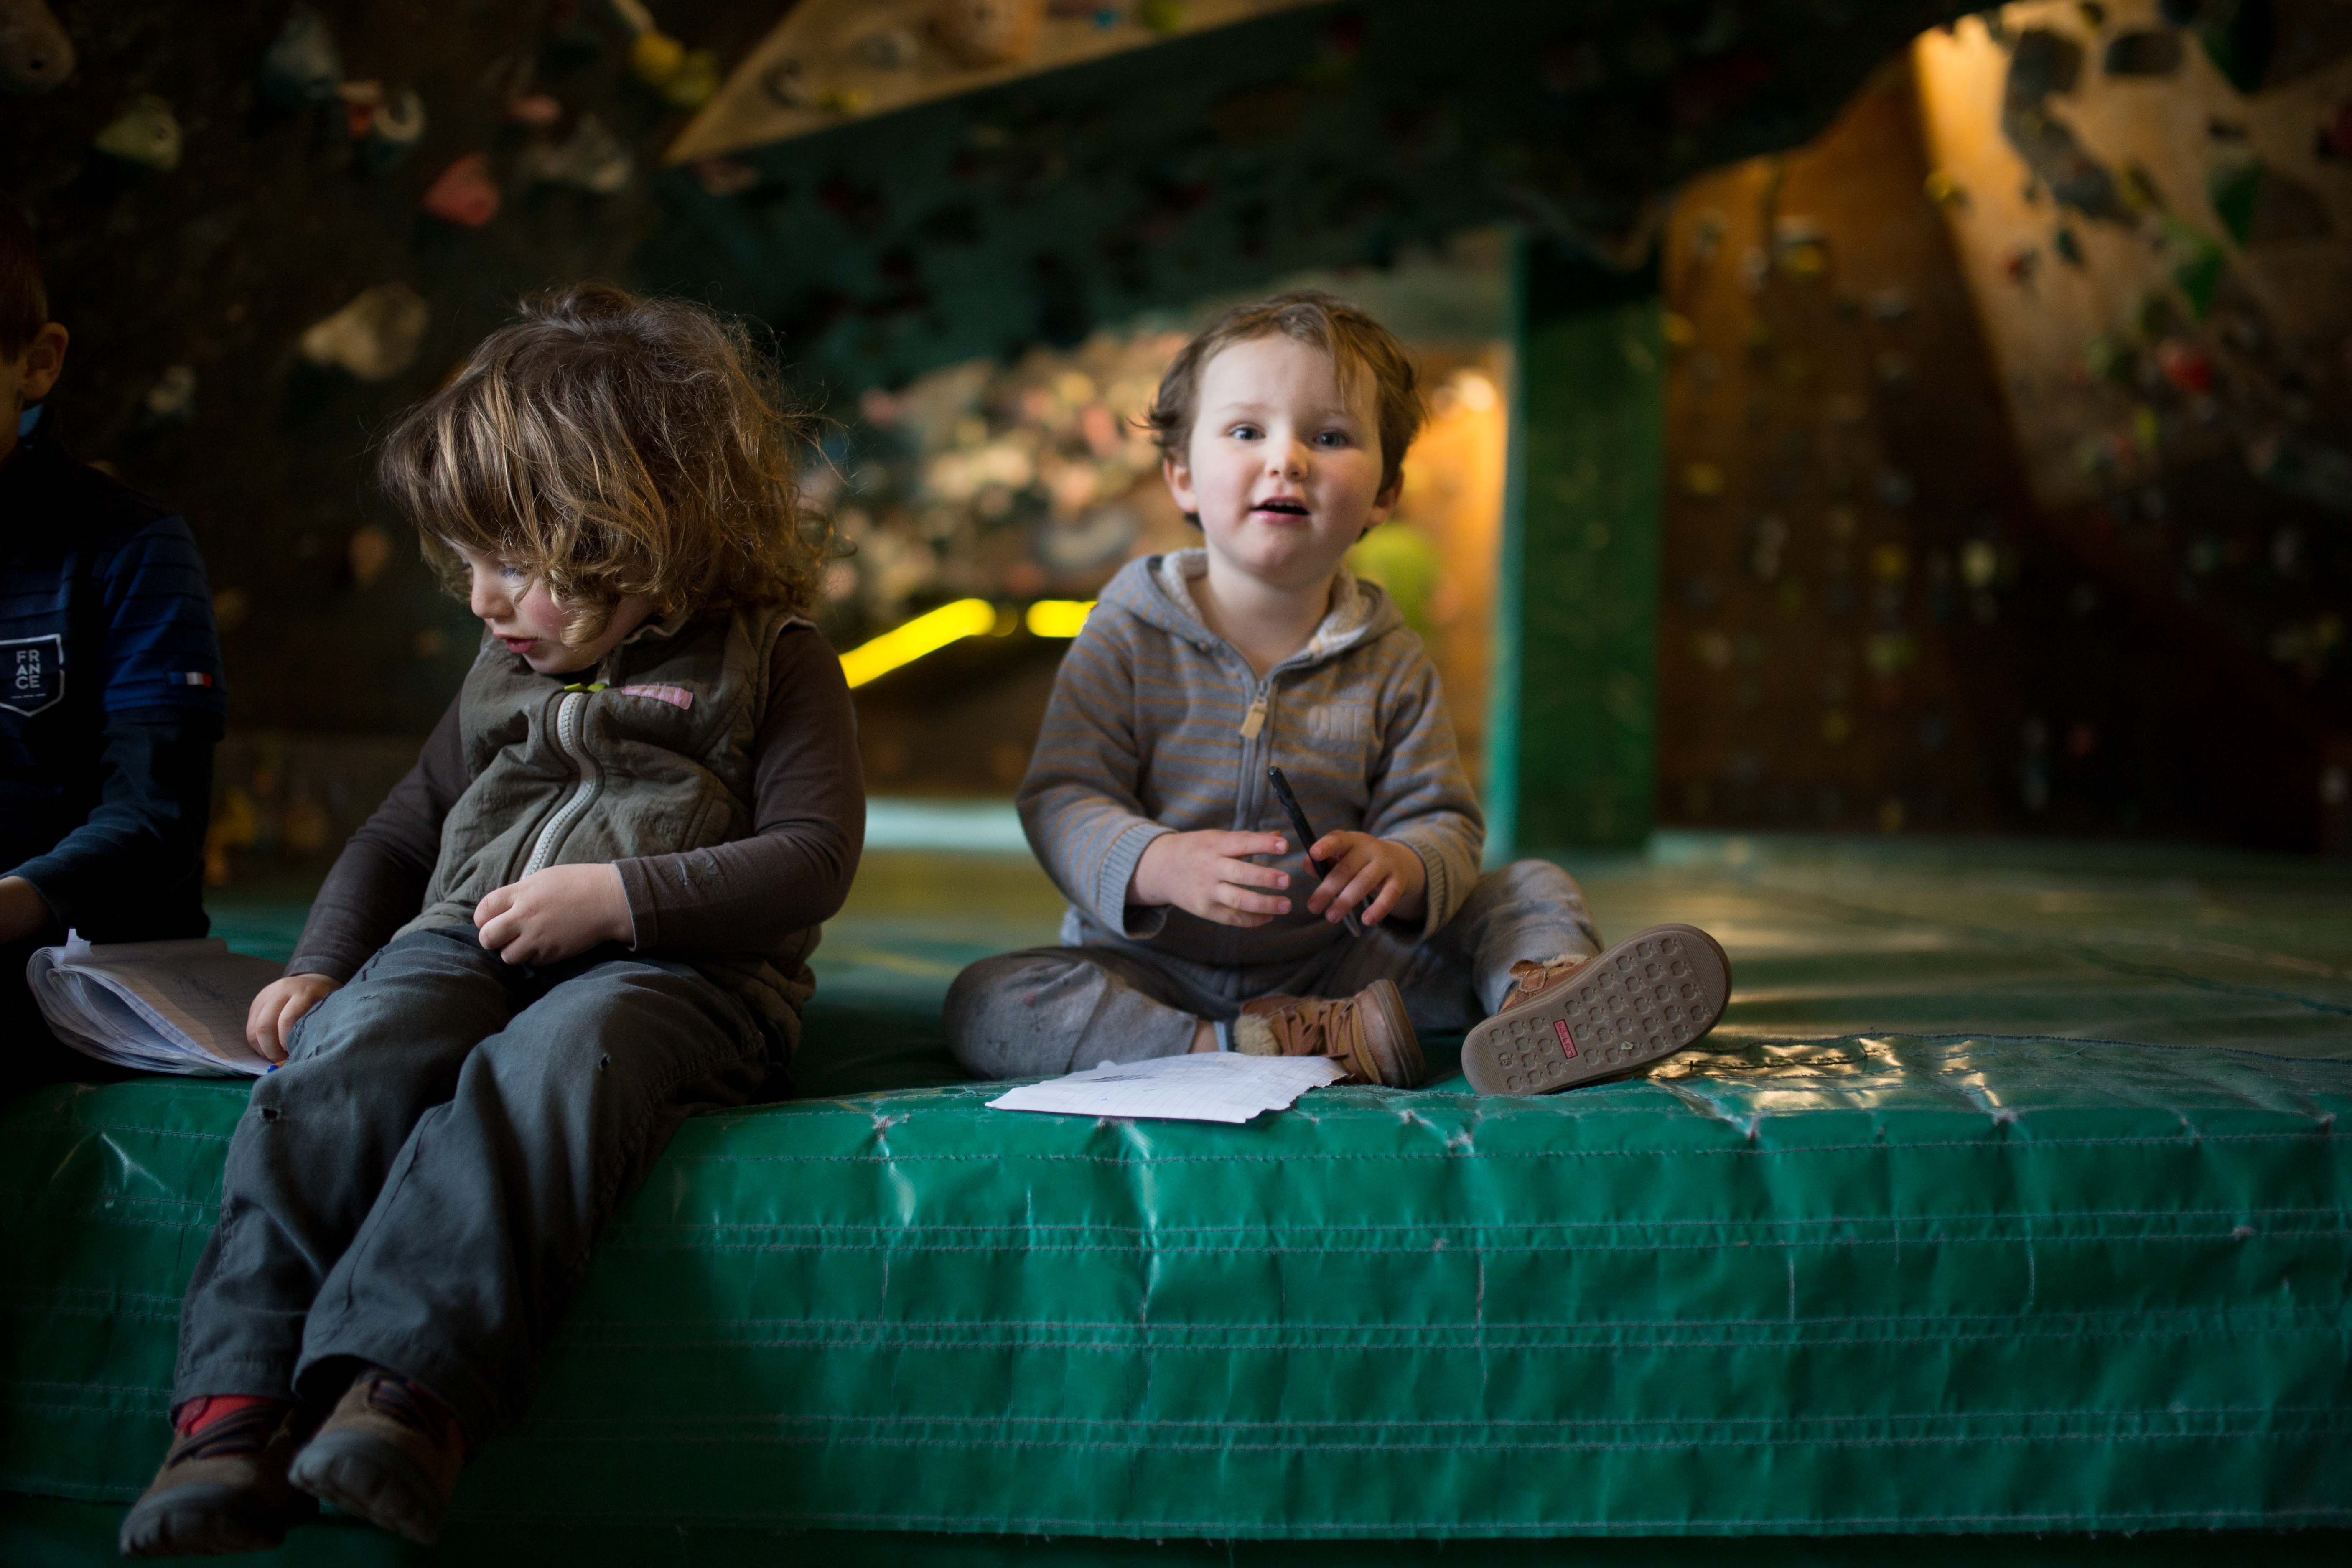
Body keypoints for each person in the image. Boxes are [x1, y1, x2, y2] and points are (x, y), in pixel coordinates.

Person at [120, 285, 863, 1557]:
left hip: (679, 981)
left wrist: (619, 900)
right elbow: (400, 835)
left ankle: (407, 1395)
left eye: (512, 564)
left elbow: (811, 859)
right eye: (468, 563)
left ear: (639, 534)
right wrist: (323, 966)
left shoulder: (774, 660)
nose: (479, 598)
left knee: (557, 1061)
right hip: (465, 941)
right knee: (351, 1053)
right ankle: (230, 1407)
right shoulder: (499, 671)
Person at [945, 290, 1730, 1093]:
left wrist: (1405, 864)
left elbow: (1443, 819)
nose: (1287, 460)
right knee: (990, 1002)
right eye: (1247, 432)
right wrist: (1155, 862)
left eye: (1329, 437)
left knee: (1531, 889)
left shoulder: (1390, 661)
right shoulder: (1126, 636)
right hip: (1153, 972)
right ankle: (1240, 1045)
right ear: (1181, 476)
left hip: (1346, 969)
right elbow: (1064, 794)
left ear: (1385, 492)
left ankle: (1548, 1006)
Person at [0, 199, 226, 1086]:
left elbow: (154, 820)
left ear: (36, 362)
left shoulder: (132, 549)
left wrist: (19, 899)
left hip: (76, 962)